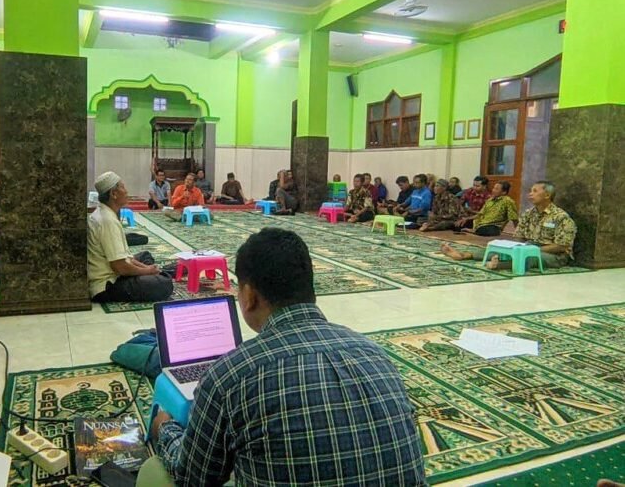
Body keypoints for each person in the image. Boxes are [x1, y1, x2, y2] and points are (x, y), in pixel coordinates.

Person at [141, 228, 426, 486]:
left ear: (249, 295)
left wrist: (164, 427)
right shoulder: (375, 354)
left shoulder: (231, 375)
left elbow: (193, 478)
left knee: (154, 473)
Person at [441, 181, 577, 270]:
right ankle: (464, 255)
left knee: (529, 258)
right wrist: (512, 248)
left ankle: (499, 265)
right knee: (496, 248)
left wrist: (531, 250)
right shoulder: (529, 213)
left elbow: (562, 246)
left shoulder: (561, 217)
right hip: (528, 246)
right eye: (530, 190)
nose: (530, 194)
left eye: (535, 191)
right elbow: (520, 236)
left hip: (554, 255)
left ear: (547, 195)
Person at [88, 172, 173, 304]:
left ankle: (156, 272)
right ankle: (159, 273)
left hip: (117, 272)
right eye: (123, 187)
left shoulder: (105, 212)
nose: (126, 191)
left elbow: (127, 258)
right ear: (113, 194)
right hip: (107, 285)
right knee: (164, 284)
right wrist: (146, 271)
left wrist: (146, 269)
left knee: (145, 255)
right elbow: (120, 266)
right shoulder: (107, 220)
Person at [453, 180, 518, 236]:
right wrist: (466, 219)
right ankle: (474, 230)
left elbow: (514, 218)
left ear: (504, 192)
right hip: (480, 223)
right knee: (458, 225)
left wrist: (517, 231)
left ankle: (474, 231)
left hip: (494, 226)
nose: (493, 190)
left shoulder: (508, 201)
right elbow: (480, 214)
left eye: (496, 189)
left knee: (484, 230)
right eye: (493, 188)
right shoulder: (490, 200)